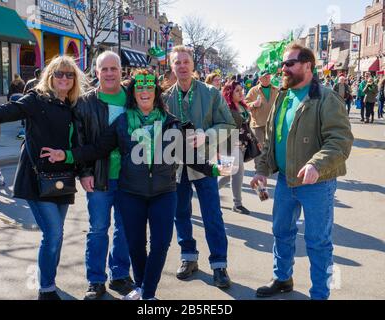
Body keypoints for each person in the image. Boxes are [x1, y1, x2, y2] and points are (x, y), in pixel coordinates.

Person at [40, 69, 230, 300]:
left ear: (156, 92)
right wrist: (67, 155)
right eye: (139, 87)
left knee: (160, 245)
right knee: (136, 246)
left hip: (164, 193)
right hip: (130, 194)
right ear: (133, 93)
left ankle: (147, 294)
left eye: (149, 86)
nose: (144, 91)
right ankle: (141, 288)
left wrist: (213, 169)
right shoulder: (121, 123)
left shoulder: (171, 123)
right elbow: (97, 149)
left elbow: (188, 155)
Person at [251, 43, 354, 300]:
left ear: (308, 66)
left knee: (318, 242)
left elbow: (340, 141)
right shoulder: (283, 97)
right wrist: (262, 170)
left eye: (290, 63)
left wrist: (316, 164)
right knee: (281, 232)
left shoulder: (326, 98)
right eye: (283, 64)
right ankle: (282, 277)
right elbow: (272, 139)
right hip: (287, 182)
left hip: (317, 184)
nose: (283, 68)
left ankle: (319, 294)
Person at [0, 55, 87, 300]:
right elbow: (1, 112)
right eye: (59, 74)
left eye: (69, 74)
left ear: (75, 80)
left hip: (63, 180)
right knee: (53, 233)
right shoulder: (36, 100)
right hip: (36, 178)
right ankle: (46, 288)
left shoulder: (75, 106)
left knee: (57, 233)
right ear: (50, 77)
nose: (64, 78)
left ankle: (47, 277)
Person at [163, 45, 236, 288]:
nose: (182, 66)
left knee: (212, 214)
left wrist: (207, 135)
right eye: (177, 62)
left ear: (193, 65)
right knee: (180, 213)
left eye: (186, 61)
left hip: (204, 165)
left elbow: (228, 125)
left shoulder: (210, 93)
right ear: (171, 66)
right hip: (177, 167)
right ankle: (188, 257)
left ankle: (219, 264)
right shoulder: (164, 98)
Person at [74, 51, 133, 300]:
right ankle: (95, 280)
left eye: (114, 68)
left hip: (130, 177)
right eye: (104, 69)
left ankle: (119, 274)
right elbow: (80, 139)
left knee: (126, 228)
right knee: (98, 229)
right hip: (99, 176)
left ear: (122, 71)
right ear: (96, 72)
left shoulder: (133, 99)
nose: (109, 73)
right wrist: (84, 172)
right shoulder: (85, 102)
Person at [218, 80, 252, 215]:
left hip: (241, 144)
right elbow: (221, 128)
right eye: (237, 90)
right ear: (229, 93)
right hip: (229, 145)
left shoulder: (242, 106)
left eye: (241, 90)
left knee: (226, 175)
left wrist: (253, 140)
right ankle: (237, 204)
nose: (241, 92)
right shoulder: (225, 108)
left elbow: (246, 126)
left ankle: (210, 193)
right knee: (238, 172)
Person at [246, 70, 279, 148]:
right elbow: (245, 105)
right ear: (260, 78)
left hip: (272, 124)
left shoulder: (276, 89)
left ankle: (268, 160)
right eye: (265, 77)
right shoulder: (253, 91)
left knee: (271, 148)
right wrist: (254, 104)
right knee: (259, 150)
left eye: (269, 77)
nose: (268, 78)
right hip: (258, 125)